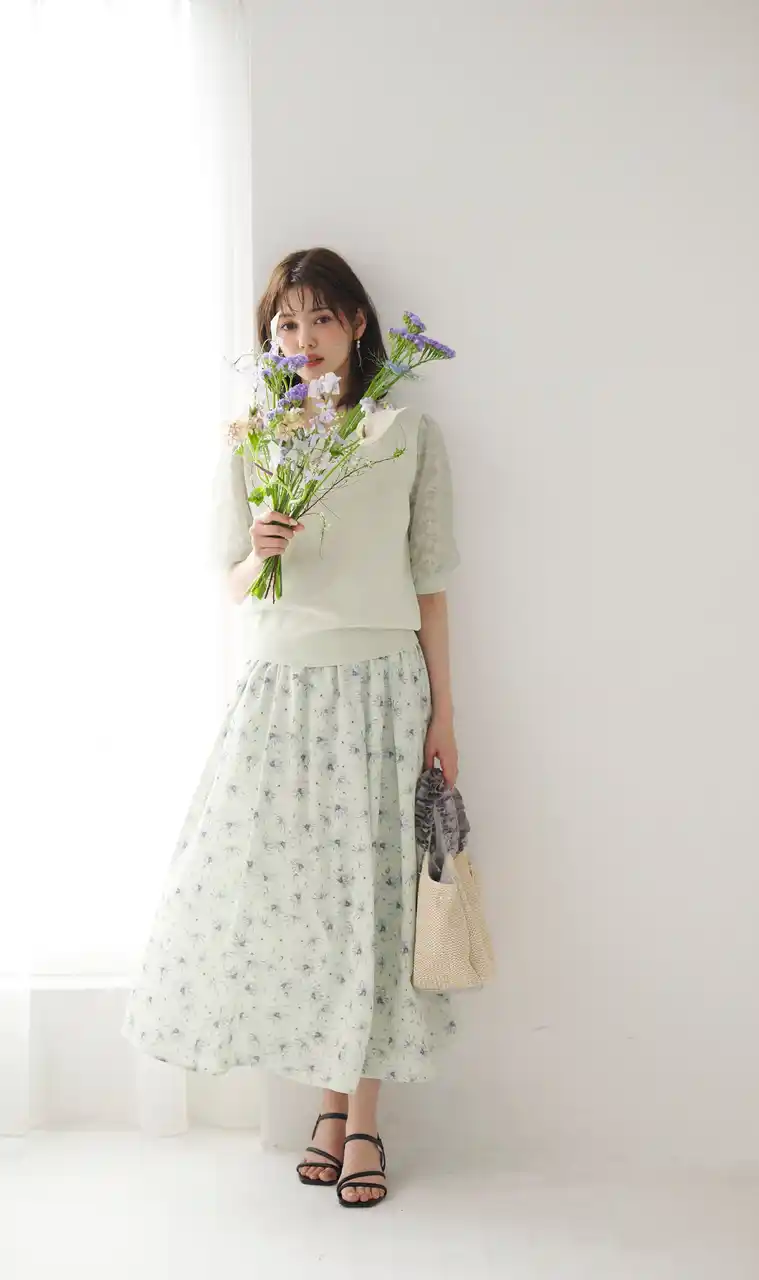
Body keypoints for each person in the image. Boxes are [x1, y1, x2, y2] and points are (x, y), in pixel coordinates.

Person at [121, 246, 462, 1208]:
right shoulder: (254, 436)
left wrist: (445, 716)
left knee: (377, 905)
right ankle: (324, 1106)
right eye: (285, 323)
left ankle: (361, 1121)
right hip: (283, 693)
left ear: (356, 324)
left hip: (384, 690)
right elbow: (231, 583)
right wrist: (260, 549)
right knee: (304, 905)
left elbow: (431, 585)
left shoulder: (406, 433)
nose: (302, 338)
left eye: (319, 318)